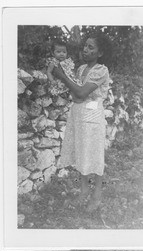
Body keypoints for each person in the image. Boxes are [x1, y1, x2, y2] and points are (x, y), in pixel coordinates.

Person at [53, 33, 112, 212]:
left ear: (100, 53)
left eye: (90, 47)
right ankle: (84, 190)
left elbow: (79, 93)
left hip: (93, 118)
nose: (85, 50)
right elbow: (76, 95)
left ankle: (97, 194)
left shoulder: (101, 70)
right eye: (85, 46)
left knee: (94, 155)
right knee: (82, 153)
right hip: (79, 115)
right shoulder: (80, 69)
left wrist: (62, 76)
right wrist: (76, 90)